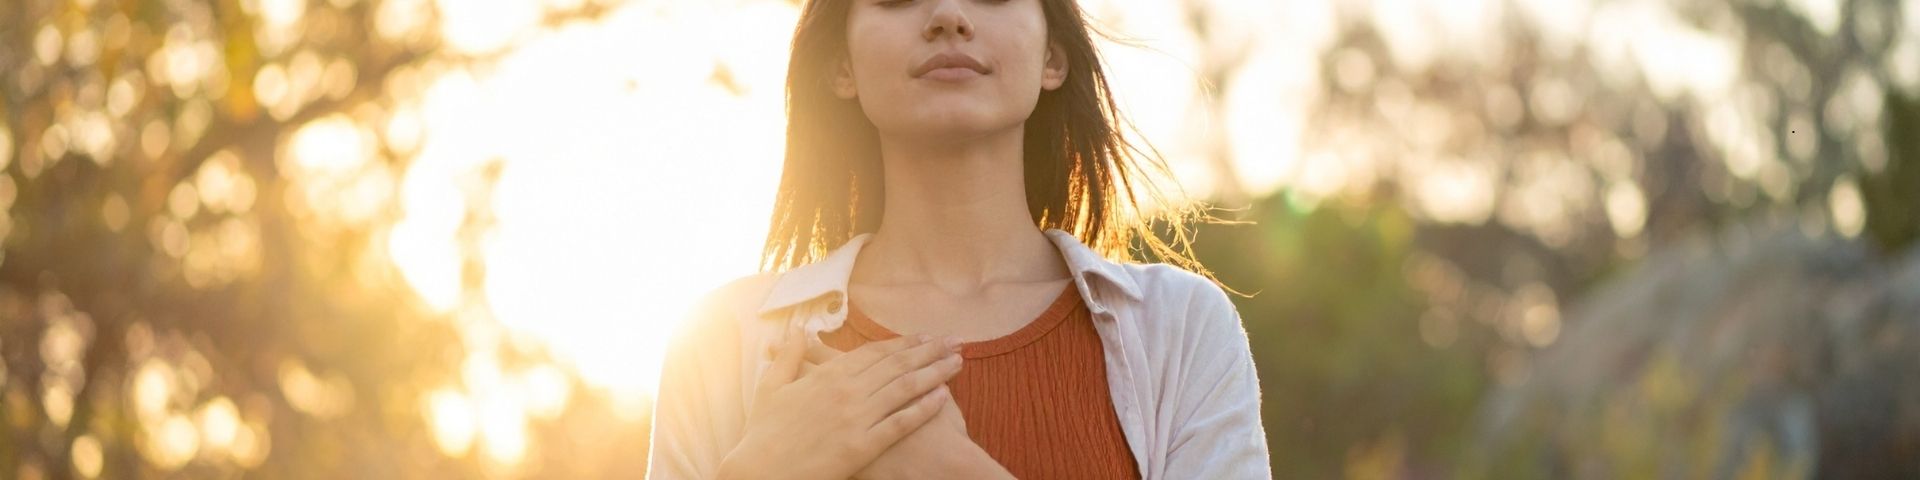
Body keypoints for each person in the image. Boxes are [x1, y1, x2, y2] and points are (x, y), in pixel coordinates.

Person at [646, 0, 1271, 477]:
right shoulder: (722, 340)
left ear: (1054, 57)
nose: (948, 15)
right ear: (842, 66)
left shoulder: (1182, 328)